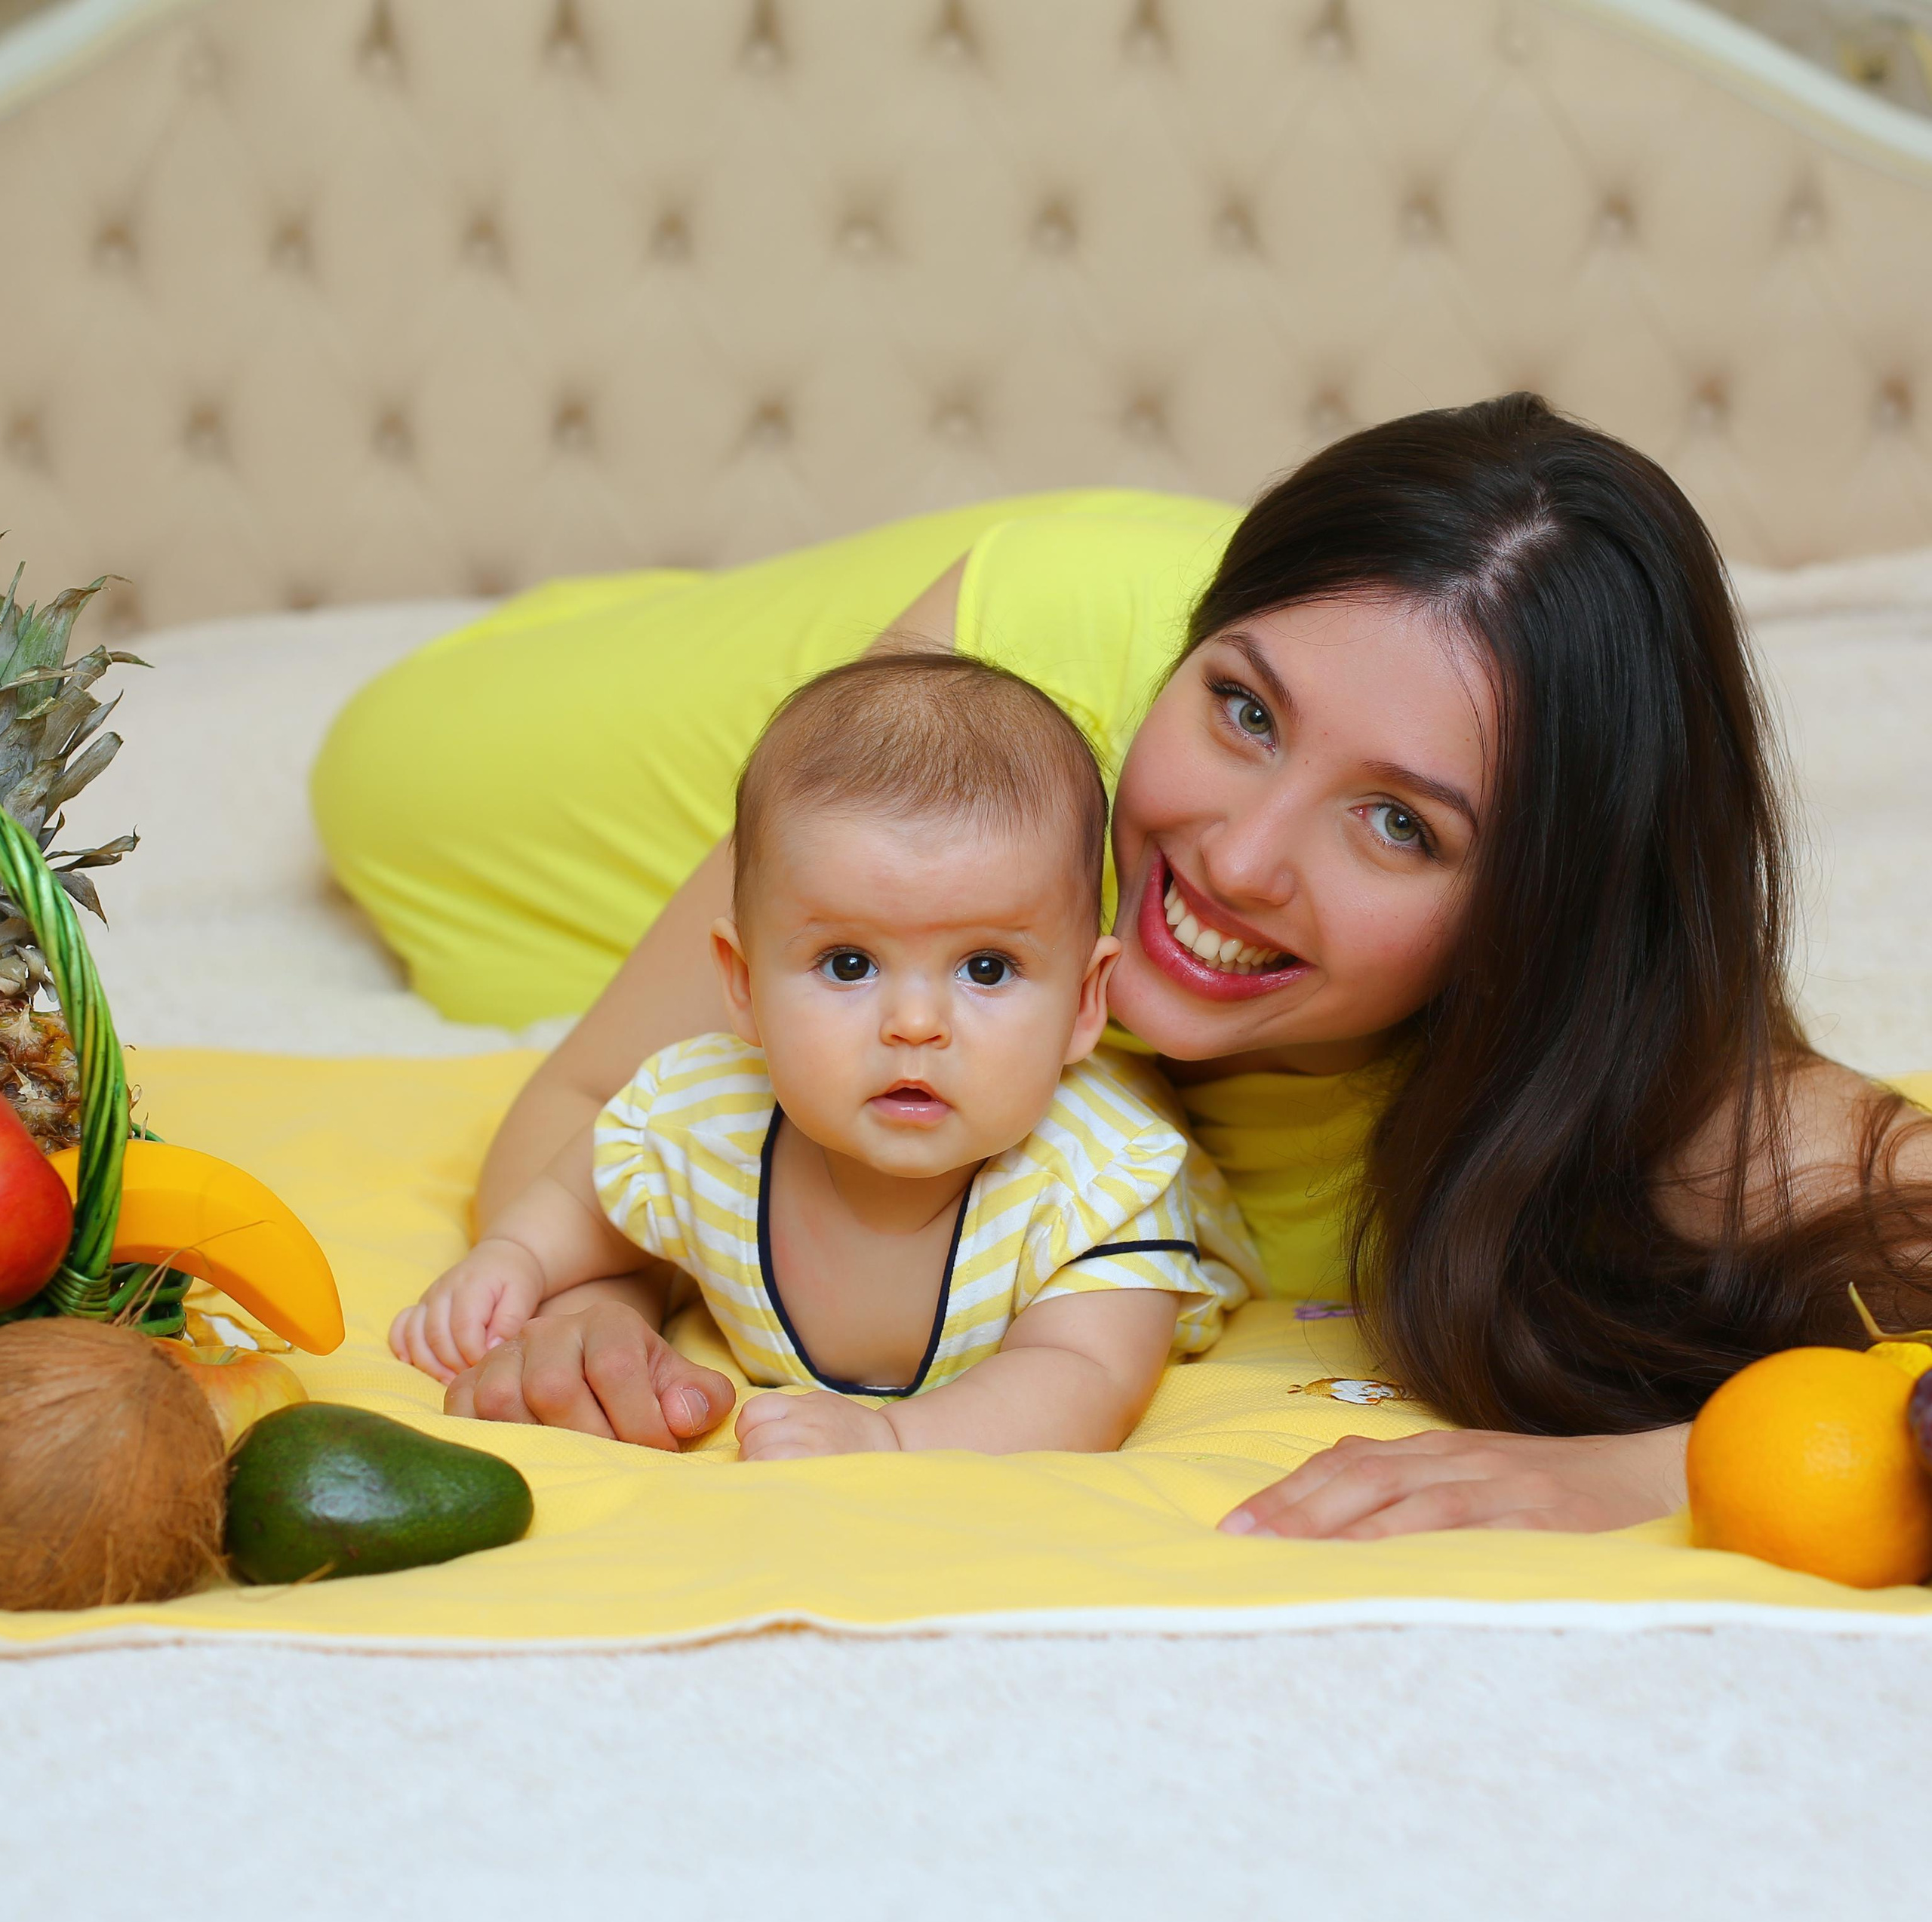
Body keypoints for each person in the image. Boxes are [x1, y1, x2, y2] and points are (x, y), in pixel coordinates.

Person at [314, 393, 1932, 1536]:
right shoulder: (1001, 709)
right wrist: (600, 1283)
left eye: (1395, 824)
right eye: (1241, 705)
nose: (1233, 857)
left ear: (1543, 914)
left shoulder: (1672, 1099)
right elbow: (606, 1086)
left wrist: (1648, 1471)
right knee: (389, 771)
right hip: (885, 734)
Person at [387, 654, 1256, 1457]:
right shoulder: (704, 1112)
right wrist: (516, 1258)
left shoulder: (1101, 1180)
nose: (915, 1023)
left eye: (987, 968)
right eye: (849, 964)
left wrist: (891, 1442)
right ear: (743, 984)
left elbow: (1085, 1378)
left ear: (1081, 1004)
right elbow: (589, 1186)